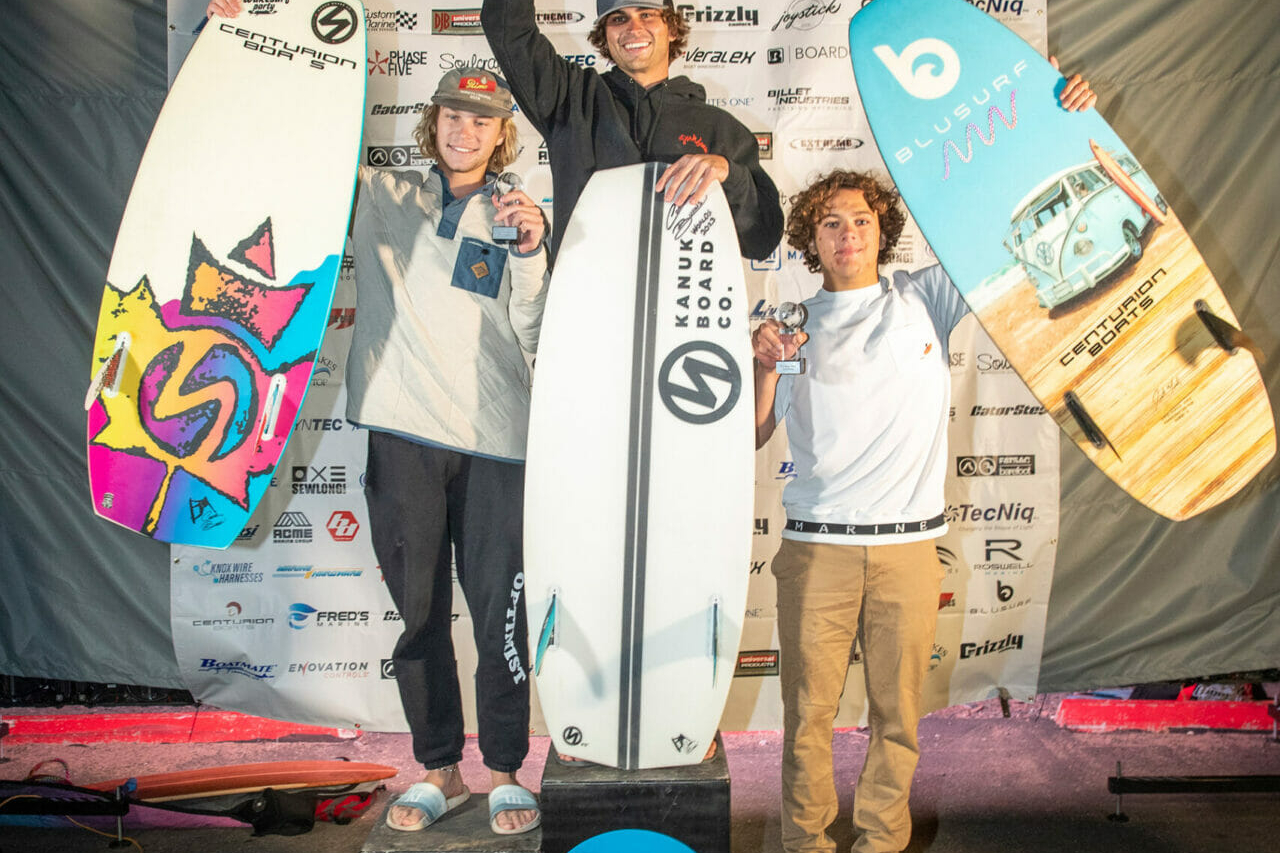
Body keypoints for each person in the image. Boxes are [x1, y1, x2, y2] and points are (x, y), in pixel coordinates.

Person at [207, 0, 549, 836]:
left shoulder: (520, 213)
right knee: (420, 615)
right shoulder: (377, 192)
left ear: (502, 133)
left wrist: (534, 253)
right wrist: (257, 44)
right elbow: (293, 149)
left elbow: (540, 335)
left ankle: (504, 766)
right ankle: (438, 765)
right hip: (401, 438)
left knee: (501, 610)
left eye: (481, 119)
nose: (464, 130)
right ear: (433, 123)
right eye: (451, 115)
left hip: (500, 445)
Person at [751, 69, 1095, 853]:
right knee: (806, 717)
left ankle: (879, 843)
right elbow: (753, 432)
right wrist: (763, 362)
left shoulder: (924, 300)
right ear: (813, 236)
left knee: (898, 718)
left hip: (908, 548)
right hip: (816, 548)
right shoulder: (789, 320)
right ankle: (804, 844)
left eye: (862, 221)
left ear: (883, 230)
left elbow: (1006, 223)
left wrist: (1064, 123)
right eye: (831, 223)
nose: (847, 235)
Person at [480, 0, 782, 261]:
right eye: (618, 18)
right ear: (604, 34)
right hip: (588, 308)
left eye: (647, 14)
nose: (633, 28)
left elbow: (762, 240)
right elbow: (509, 30)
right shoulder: (571, 99)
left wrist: (729, 173)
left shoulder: (720, 128)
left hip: (679, 318)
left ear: (672, 28)